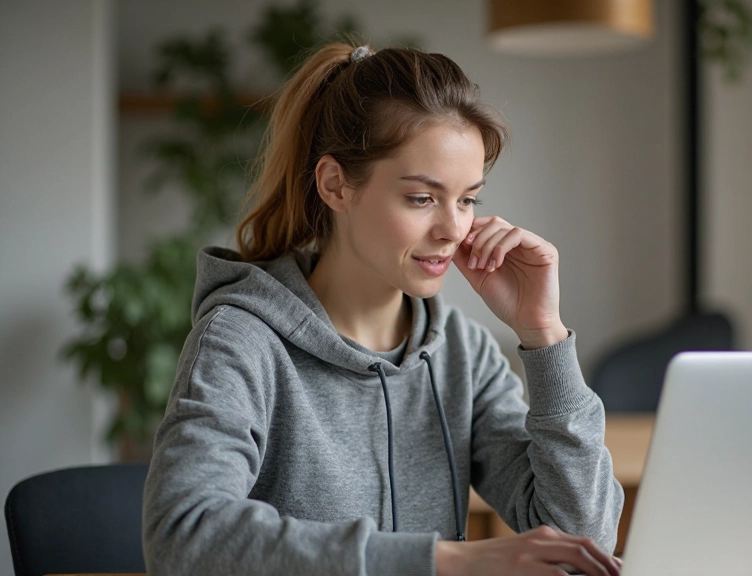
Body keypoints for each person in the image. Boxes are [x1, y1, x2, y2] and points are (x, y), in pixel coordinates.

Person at [142, 42, 624, 576]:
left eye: (467, 200)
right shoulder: (240, 342)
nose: (451, 229)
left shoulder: (463, 353)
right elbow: (183, 535)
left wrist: (544, 334)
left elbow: (583, 539)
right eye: (422, 198)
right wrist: (441, 561)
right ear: (335, 185)